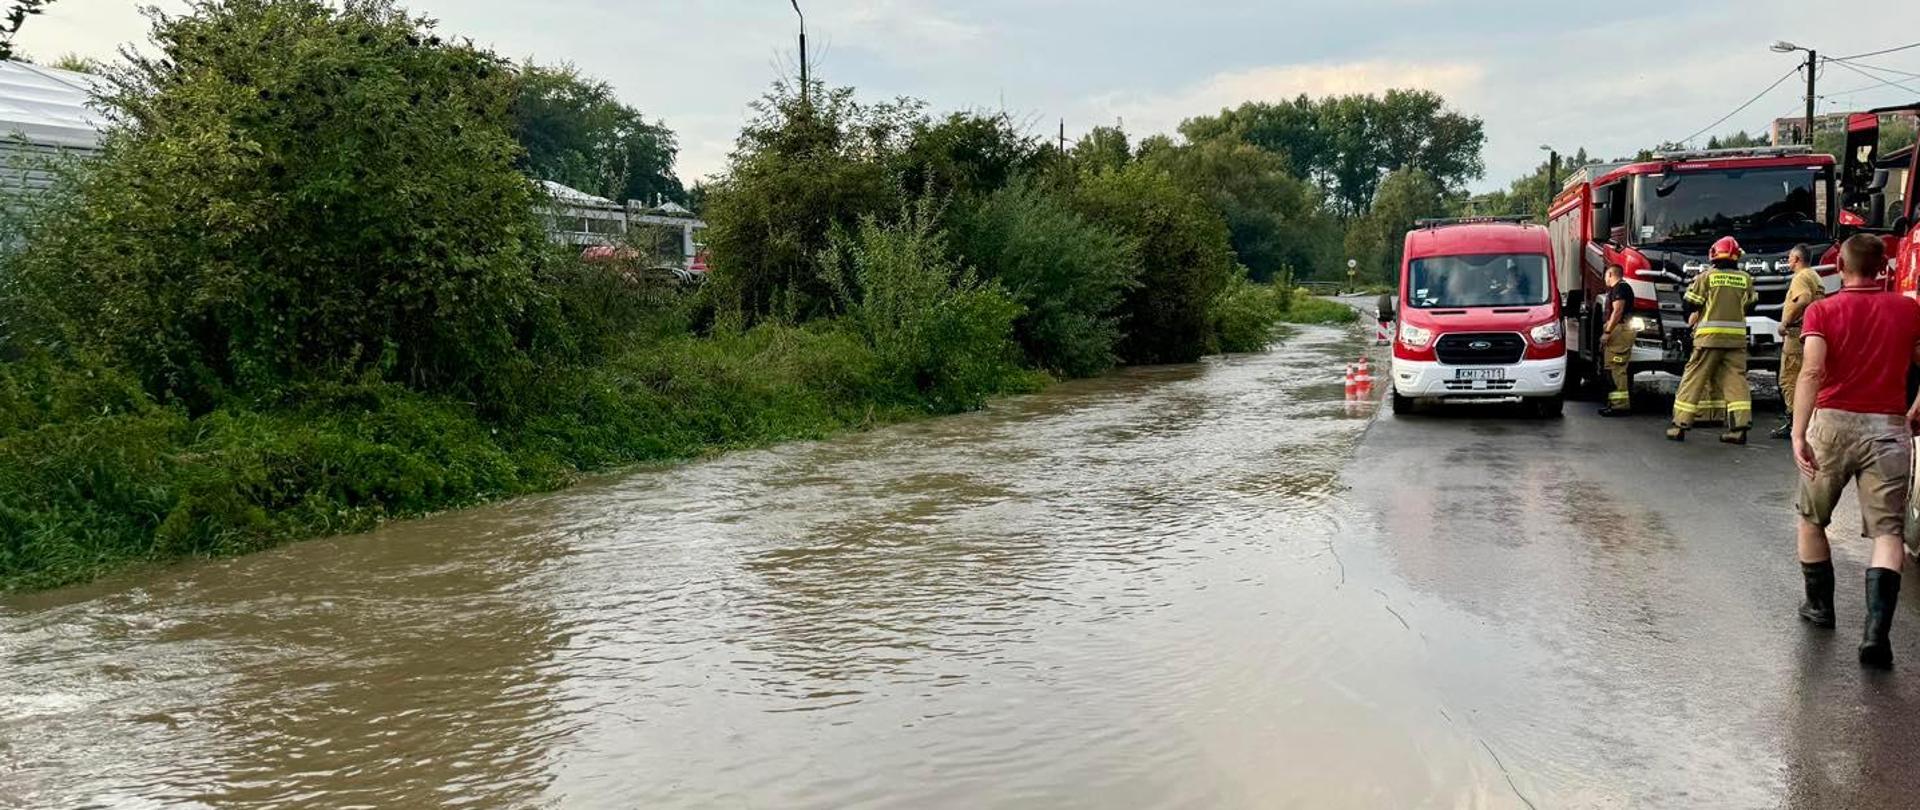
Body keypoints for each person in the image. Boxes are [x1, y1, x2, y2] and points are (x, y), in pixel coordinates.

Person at [1791, 233, 1920, 668]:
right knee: (1888, 534)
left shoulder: (1822, 311)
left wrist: (1798, 432)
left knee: (1812, 518)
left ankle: (1820, 608)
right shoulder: (1908, 310)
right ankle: (1874, 635)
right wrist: (1915, 409)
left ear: (1841, 270)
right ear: (1883, 267)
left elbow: (1811, 372)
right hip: (1887, 428)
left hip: (1831, 425)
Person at [1668, 236, 1758, 443]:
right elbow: (1751, 305)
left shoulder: (1706, 278)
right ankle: (1739, 428)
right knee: (1736, 381)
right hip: (1735, 341)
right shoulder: (1745, 279)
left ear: (1714, 255)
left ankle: (1680, 425)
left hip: (1708, 340)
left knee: (1694, 379)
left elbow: (1690, 304)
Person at [1772, 244, 1825, 440]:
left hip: (1795, 335)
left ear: (1796, 259)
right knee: (1807, 378)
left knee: (1789, 380)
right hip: (1810, 333)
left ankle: (1795, 422)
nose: (1788, 261)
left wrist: (1786, 322)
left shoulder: (1801, 278)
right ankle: (1808, 420)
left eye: (1789, 258)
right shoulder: (1815, 277)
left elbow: (1803, 299)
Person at [1598, 264, 1636, 417]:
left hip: (1619, 331)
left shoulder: (1619, 289)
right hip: (1620, 330)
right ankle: (1614, 403)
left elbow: (1618, 310)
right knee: (1611, 366)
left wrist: (1607, 332)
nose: (1605, 279)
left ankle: (1619, 405)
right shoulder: (1622, 288)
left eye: (1606, 276)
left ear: (1611, 274)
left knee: (1616, 367)